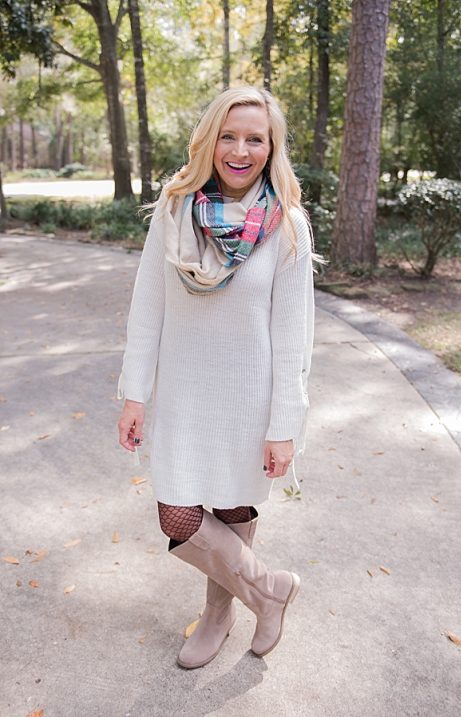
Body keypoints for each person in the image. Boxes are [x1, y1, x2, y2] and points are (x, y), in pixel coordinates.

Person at [117, 86, 316, 670]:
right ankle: (268, 591)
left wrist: (284, 427)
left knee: (232, 512)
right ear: (209, 140)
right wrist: (135, 393)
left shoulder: (288, 228)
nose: (239, 149)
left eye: (255, 138)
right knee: (177, 514)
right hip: (184, 396)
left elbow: (293, 340)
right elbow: (146, 306)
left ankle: (220, 614)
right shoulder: (176, 209)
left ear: (271, 147)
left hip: (248, 402)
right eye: (228, 135)